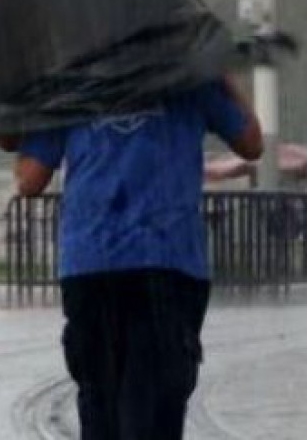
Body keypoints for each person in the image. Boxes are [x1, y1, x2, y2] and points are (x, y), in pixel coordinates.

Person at [14, 76, 262, 440]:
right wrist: (224, 73)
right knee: (155, 412)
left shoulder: (73, 83)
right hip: (167, 265)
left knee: (100, 407)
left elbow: (29, 180)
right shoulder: (186, 77)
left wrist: (16, 119)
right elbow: (251, 143)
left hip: (90, 265)